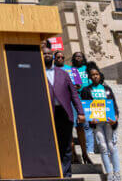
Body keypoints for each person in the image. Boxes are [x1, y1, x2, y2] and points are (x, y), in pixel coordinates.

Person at [43, 47, 85, 177]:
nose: (47, 55)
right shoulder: (36, 72)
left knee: (66, 145)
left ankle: (66, 174)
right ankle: (52, 172)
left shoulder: (64, 73)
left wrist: (81, 112)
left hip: (64, 113)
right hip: (47, 114)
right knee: (50, 144)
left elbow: (74, 94)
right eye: (44, 53)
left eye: (49, 53)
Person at [80, 67, 120, 181]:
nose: (95, 76)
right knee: (103, 147)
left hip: (109, 121)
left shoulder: (107, 89)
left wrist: (115, 117)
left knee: (112, 146)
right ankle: (109, 173)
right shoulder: (86, 90)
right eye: (92, 75)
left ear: (100, 75)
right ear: (90, 77)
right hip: (97, 123)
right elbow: (85, 107)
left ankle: (117, 173)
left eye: (97, 74)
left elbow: (114, 105)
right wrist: (89, 119)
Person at [71, 51, 94, 160]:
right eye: (76, 57)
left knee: (90, 124)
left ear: (83, 58)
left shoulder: (87, 68)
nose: (78, 58)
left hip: (89, 97)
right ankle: (88, 149)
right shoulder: (72, 70)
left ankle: (90, 147)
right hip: (78, 98)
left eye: (80, 56)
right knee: (83, 124)